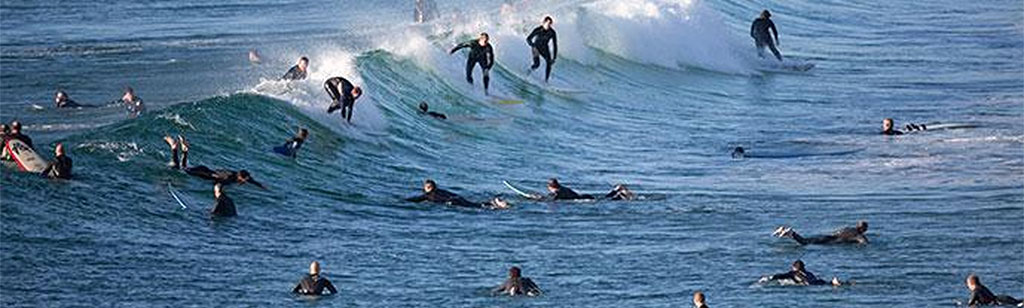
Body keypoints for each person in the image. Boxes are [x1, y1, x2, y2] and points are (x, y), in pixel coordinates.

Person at [163, 135, 266, 189]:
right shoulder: (229, 178)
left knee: (184, 166)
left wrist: (261, 186)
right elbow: (218, 183)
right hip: (204, 173)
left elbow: (251, 180)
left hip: (205, 169)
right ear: (240, 177)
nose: (244, 182)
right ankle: (174, 148)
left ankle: (185, 150)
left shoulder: (236, 174)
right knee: (179, 169)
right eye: (244, 180)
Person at [406, 179, 508, 209]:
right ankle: (492, 203)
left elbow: (416, 199)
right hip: (457, 197)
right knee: (474, 204)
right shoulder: (441, 190)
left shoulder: (428, 195)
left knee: (475, 207)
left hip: (452, 202)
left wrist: (401, 201)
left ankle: (495, 205)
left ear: (428, 188)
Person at [772, 221, 869, 245]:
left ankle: (788, 232)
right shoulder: (858, 235)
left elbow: (836, 232)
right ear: (863, 229)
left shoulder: (848, 228)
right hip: (830, 242)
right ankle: (791, 233)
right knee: (805, 243)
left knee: (805, 240)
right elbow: (864, 242)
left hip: (827, 236)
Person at [758, 260, 841, 286]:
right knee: (825, 283)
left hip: (807, 283)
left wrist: (770, 278)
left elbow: (781, 276)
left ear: (794, 267)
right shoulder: (809, 272)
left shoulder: (793, 273)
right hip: (818, 281)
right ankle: (832, 282)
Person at [527, 16, 558, 82]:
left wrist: (554, 58)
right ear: (544, 22)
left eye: (550, 24)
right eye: (548, 23)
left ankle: (546, 80)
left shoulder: (552, 32)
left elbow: (555, 45)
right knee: (537, 64)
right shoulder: (538, 29)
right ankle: (529, 71)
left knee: (549, 63)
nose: (549, 25)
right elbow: (528, 38)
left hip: (544, 48)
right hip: (536, 47)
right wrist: (532, 45)